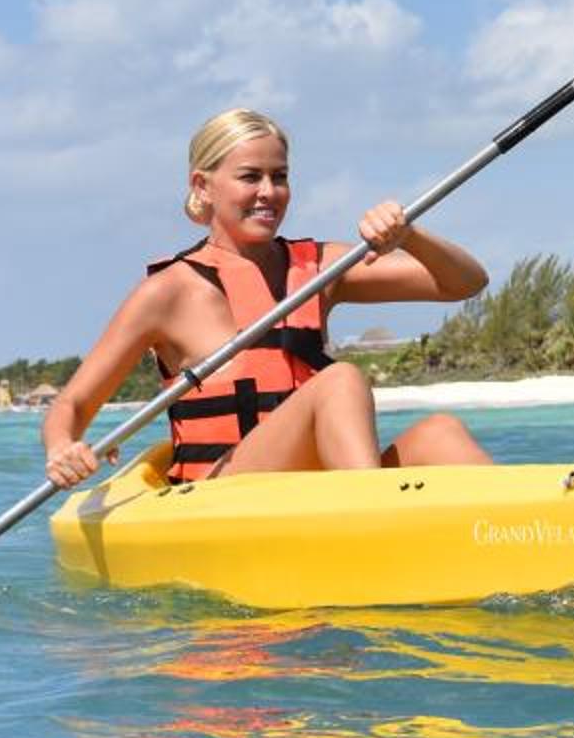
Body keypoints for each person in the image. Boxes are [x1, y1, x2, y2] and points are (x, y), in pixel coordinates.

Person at [41, 108, 493, 487]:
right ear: (202, 186)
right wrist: (64, 447)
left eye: (279, 177)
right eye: (249, 177)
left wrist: (408, 236)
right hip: (221, 495)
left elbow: (463, 283)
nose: (268, 192)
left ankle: (524, 542)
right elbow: (73, 405)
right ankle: (373, 522)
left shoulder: (320, 267)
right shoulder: (167, 291)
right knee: (340, 381)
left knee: (441, 433)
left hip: (313, 487)